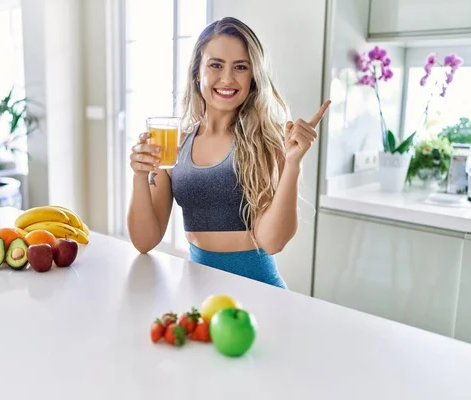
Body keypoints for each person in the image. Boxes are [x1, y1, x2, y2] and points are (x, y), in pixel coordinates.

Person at [126, 17, 330, 289]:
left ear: (253, 77)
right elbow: (144, 241)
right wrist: (140, 175)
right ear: (198, 72)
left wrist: (292, 165)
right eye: (216, 65)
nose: (227, 78)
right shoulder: (175, 145)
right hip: (199, 293)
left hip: (258, 290)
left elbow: (272, 241)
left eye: (241, 67)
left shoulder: (266, 143)